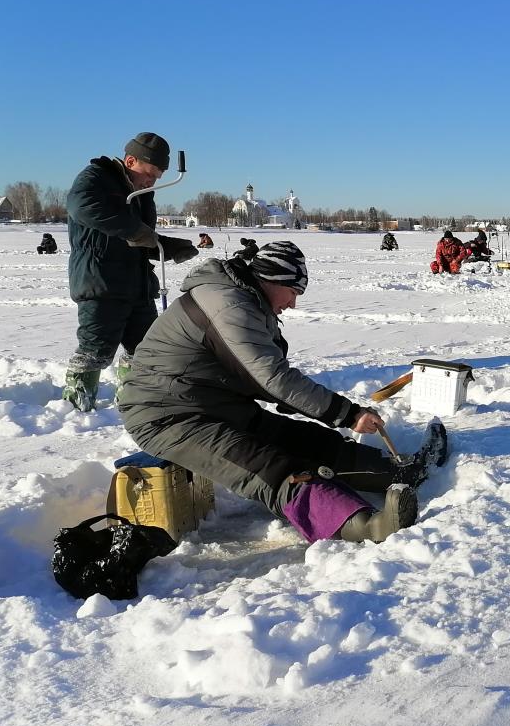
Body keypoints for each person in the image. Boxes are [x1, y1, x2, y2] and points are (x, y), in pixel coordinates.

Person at [118, 241, 448, 544]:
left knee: (306, 440)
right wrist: (346, 413)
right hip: (167, 415)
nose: (293, 303)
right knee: (269, 468)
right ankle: (365, 525)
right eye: (292, 291)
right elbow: (272, 379)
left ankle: (398, 471)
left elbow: (266, 377)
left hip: (218, 404)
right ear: (271, 280)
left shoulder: (246, 299)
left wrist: (318, 409)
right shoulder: (228, 305)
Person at [62, 132, 199, 412]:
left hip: (138, 285)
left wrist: (165, 246)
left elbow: (140, 239)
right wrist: (138, 232)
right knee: (95, 349)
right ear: (130, 160)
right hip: (101, 282)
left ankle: (133, 400)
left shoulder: (143, 195)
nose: (151, 182)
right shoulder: (97, 177)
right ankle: (76, 406)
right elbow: (83, 208)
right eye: (149, 174)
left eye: (157, 178)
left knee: (145, 348)